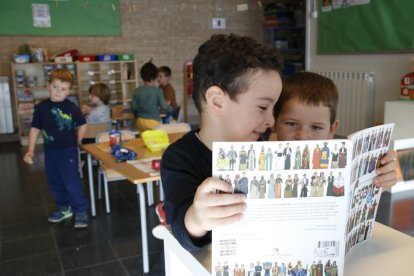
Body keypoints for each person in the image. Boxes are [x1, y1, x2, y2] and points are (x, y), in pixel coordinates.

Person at [161, 33, 283, 251]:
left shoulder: (261, 148)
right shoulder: (179, 158)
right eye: (263, 107)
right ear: (217, 101)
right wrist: (197, 219)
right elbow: (180, 224)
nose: (271, 121)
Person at [273, 71, 397, 188]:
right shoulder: (261, 161)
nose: (302, 136)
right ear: (274, 121)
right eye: (291, 123)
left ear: (332, 130)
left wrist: (381, 176)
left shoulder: (342, 165)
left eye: (316, 127)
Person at [23, 68, 89, 228]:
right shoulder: (41, 108)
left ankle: (80, 210)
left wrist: (78, 141)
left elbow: (82, 124)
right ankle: (64, 208)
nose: (58, 92)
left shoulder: (71, 107)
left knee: (71, 181)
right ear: (48, 86)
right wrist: (30, 150)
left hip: (68, 151)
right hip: (50, 151)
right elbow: (35, 129)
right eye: (55, 87)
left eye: (63, 89)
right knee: (54, 181)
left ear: (68, 91)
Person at [130, 60, 173, 132]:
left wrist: (137, 116)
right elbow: (165, 107)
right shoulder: (158, 91)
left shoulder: (137, 91)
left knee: (143, 141)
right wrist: (171, 109)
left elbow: (133, 108)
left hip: (140, 121)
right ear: (155, 76)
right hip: (153, 122)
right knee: (155, 142)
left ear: (142, 76)